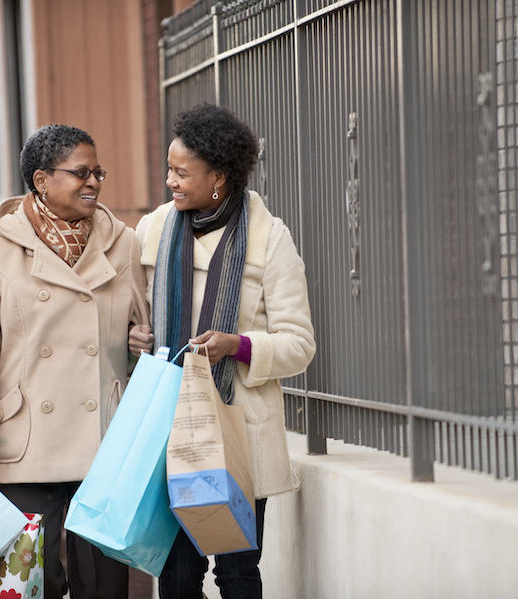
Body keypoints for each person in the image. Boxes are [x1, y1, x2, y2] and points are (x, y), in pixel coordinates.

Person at [0, 124, 148, 599]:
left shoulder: (124, 242)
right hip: (25, 441)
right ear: (41, 180)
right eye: (81, 172)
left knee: (103, 585)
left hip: (102, 439)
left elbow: (142, 329)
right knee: (31, 581)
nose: (94, 182)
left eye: (98, 172)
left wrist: (136, 340)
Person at [129, 104, 316, 598]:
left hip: (239, 433)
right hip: (171, 429)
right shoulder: (153, 230)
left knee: (236, 573)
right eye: (168, 168)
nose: (169, 180)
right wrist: (137, 339)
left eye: (180, 172)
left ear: (219, 177)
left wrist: (239, 346)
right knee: (177, 575)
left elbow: (300, 344)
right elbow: (132, 319)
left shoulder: (270, 238)